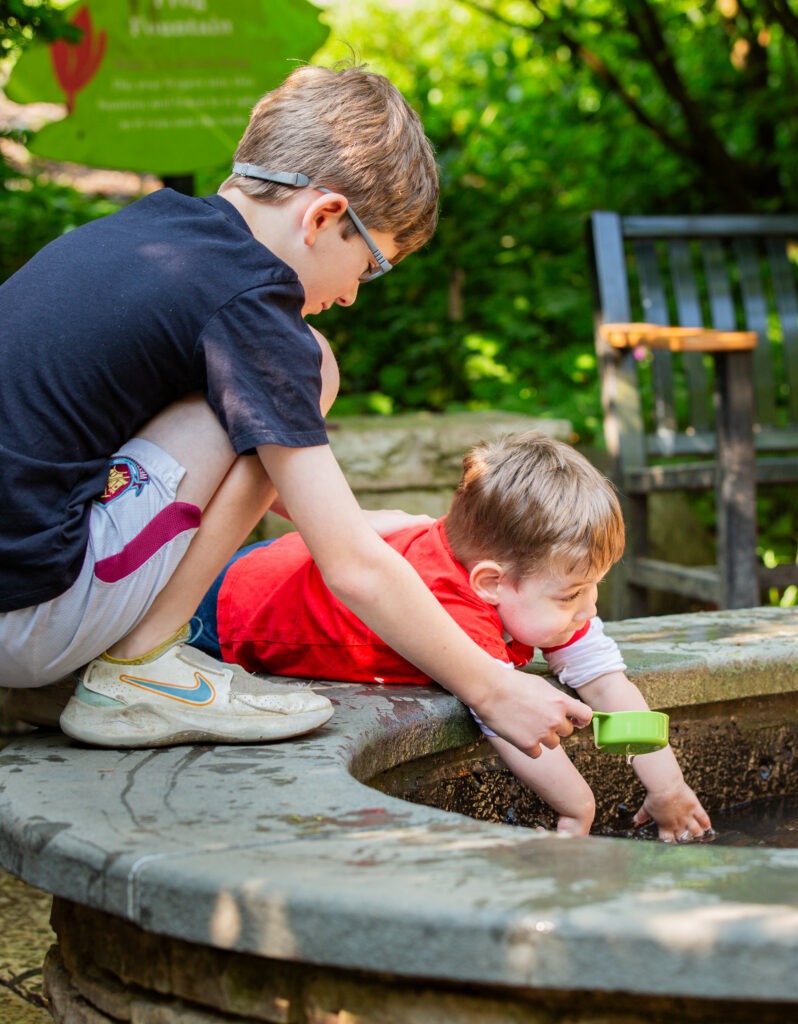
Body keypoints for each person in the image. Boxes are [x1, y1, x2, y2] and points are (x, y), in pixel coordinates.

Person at [0, 63, 592, 753]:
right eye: (371, 266)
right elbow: (353, 570)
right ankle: (139, 667)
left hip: (20, 597)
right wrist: (494, 687)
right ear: (323, 215)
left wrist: (359, 519)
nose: (351, 296)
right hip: (31, 611)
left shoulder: (155, 235)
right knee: (313, 361)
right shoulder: (249, 302)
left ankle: (72, 676)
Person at [192, 433, 712, 842]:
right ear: (490, 583)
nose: (590, 608)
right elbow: (510, 722)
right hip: (226, 607)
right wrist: (578, 807)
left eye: (596, 587)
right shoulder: (454, 607)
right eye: (571, 595)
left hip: (276, 567)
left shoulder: (523, 578)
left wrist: (668, 786)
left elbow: (606, 680)